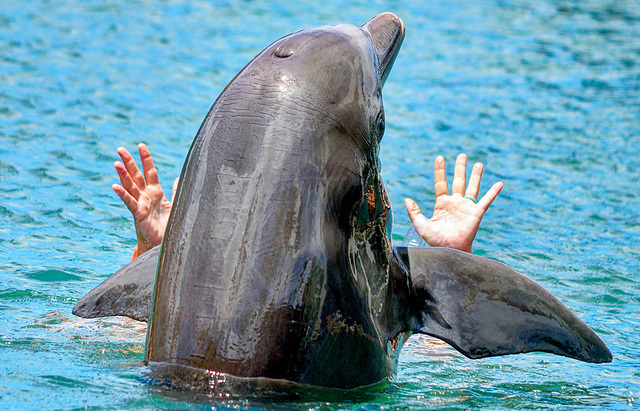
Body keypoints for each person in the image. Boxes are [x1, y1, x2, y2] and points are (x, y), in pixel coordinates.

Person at [112, 144, 503, 260]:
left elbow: (441, 365)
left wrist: (456, 255)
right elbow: (113, 337)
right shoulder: (253, 271)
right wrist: (156, 252)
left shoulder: (374, 289)